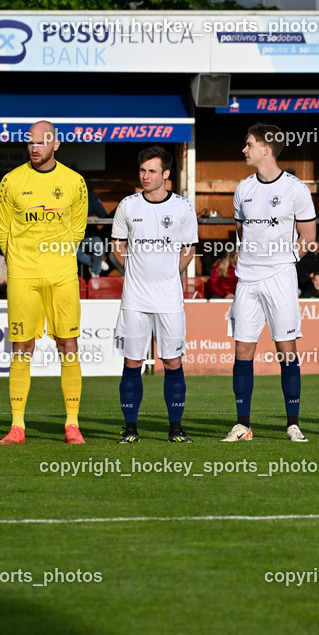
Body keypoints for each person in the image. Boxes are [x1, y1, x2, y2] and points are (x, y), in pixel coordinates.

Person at [0, 120, 88, 445]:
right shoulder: (11, 181)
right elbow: (1, 230)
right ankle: (17, 426)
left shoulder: (75, 182)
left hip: (62, 274)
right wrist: (21, 261)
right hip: (23, 275)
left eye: (42, 141)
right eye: (31, 142)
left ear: (56, 144)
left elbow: (78, 230)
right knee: (22, 347)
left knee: (68, 345)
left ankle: (72, 425)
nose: (35, 147)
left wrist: (57, 256)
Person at [222, 123, 316, 443]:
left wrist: (282, 262)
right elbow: (241, 230)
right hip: (246, 278)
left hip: (280, 277)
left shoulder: (296, 189)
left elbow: (309, 238)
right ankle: (242, 425)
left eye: (249, 145)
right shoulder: (243, 188)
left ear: (267, 149)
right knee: (242, 351)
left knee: (286, 351)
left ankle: (292, 424)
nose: (244, 150)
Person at [112, 146, 198, 444]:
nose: (145, 176)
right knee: (132, 361)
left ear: (166, 174)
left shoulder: (183, 207)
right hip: (134, 299)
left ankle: (176, 428)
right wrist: (136, 271)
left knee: (172, 362)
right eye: (142, 170)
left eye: (151, 171)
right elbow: (117, 247)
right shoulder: (127, 205)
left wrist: (169, 273)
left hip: (169, 300)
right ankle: (130, 428)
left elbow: (189, 248)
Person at [77, 189, 110, 279]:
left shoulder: (89, 195)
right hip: (70, 235)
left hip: (89, 234)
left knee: (99, 246)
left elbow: (103, 215)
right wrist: (85, 218)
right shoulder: (65, 194)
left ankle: (95, 272)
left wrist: (93, 218)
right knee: (68, 249)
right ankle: (96, 264)